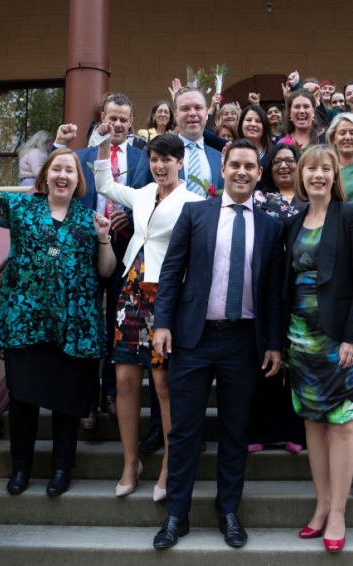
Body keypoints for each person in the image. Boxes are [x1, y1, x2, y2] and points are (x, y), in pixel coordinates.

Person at [0, 127, 116, 498]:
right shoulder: (21, 208)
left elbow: (106, 271)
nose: (63, 175)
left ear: (78, 180)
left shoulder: (87, 218)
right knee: (23, 400)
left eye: (70, 171)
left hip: (74, 328)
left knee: (67, 404)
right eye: (56, 169)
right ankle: (21, 469)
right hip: (25, 324)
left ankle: (62, 469)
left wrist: (104, 238)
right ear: (45, 175)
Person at [151, 139, 285, 550]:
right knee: (185, 431)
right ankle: (177, 515)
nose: (242, 171)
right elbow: (171, 273)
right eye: (235, 165)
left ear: (259, 174)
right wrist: (162, 325)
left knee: (233, 431)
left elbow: (273, 293)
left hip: (244, 342)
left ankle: (228, 511)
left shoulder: (271, 226)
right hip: (193, 339)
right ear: (222, 168)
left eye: (250, 166)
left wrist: (275, 343)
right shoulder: (195, 213)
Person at [94, 132, 204, 502]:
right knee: (125, 380)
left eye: (167, 159)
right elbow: (105, 183)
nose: (160, 165)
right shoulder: (141, 194)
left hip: (166, 297)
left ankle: (170, 465)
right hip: (130, 290)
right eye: (155, 158)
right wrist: (104, 146)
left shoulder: (194, 201)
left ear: (180, 163)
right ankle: (130, 463)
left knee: (162, 385)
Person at [285, 145, 353, 553]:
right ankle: (320, 505)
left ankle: (338, 510)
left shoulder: (352, 215)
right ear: (301, 176)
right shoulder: (293, 222)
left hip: (341, 341)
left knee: (343, 423)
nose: (317, 175)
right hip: (301, 341)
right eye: (310, 168)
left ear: (335, 175)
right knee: (313, 425)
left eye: (325, 168)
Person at [53, 92, 143, 429]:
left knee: (115, 323)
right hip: (83, 251)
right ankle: (87, 397)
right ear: (102, 118)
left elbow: (153, 198)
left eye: (123, 119)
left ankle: (111, 392)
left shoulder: (144, 158)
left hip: (127, 250)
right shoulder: (80, 156)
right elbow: (56, 192)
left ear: (131, 122)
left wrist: (132, 219)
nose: (117, 124)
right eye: (112, 117)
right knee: (84, 322)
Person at [247, 143, 307, 454]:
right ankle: (262, 429)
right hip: (266, 285)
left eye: (290, 161)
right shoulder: (258, 198)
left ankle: (295, 430)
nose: (284, 166)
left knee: (296, 359)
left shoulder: (311, 200)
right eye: (277, 161)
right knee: (266, 356)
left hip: (302, 288)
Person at [131, 87, 224, 195]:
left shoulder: (220, 158)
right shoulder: (152, 153)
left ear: (207, 113)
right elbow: (136, 198)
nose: (192, 113)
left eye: (198, 108)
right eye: (185, 108)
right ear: (175, 115)